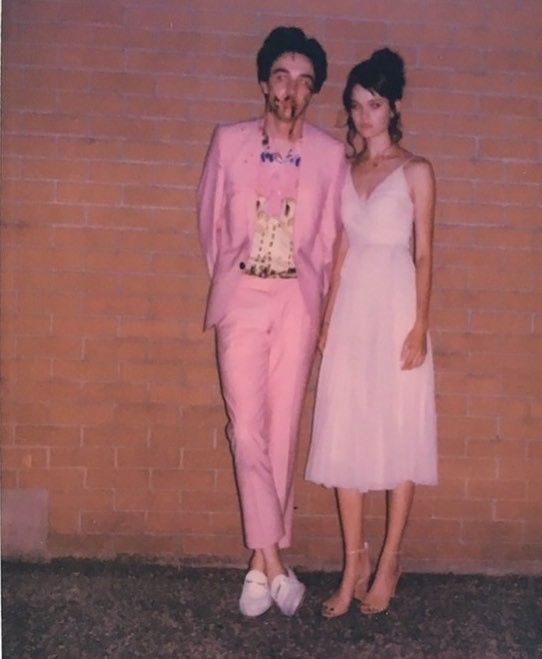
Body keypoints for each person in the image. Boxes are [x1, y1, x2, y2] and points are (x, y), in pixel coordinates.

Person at [197, 26, 345, 617]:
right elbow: (210, 225)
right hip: (243, 297)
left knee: (282, 430)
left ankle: (260, 570)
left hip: (297, 303)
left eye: (304, 81)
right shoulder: (229, 142)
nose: (291, 89)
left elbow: (331, 241)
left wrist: (319, 306)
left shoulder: (330, 155)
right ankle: (277, 562)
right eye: (281, 76)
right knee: (247, 429)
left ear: (312, 93)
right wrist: (235, 286)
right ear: (264, 81)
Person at [305, 48, 438, 617]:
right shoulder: (345, 169)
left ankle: (388, 563)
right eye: (356, 106)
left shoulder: (417, 171)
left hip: (398, 311)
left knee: (399, 431)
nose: (364, 116)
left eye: (374, 105)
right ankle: (352, 561)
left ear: (394, 107)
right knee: (346, 430)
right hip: (353, 311)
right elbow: (337, 251)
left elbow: (427, 253)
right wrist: (327, 319)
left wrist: (420, 326)